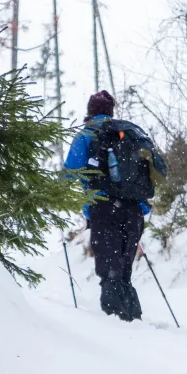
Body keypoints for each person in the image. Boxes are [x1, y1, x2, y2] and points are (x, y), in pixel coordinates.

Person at [65, 90, 161, 322]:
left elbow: (70, 171)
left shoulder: (88, 134)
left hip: (104, 208)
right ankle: (132, 321)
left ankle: (117, 329)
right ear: (111, 111)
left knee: (110, 272)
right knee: (123, 272)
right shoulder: (128, 133)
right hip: (134, 210)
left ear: (90, 111)